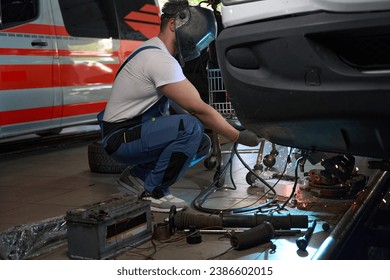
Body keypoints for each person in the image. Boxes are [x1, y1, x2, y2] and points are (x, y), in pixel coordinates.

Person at [100, 0, 260, 212]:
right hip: (122, 137)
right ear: (175, 24)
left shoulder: (155, 52)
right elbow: (196, 109)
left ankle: (138, 176)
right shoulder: (158, 60)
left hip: (131, 133)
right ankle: (154, 192)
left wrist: (226, 123)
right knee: (189, 127)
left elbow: (186, 106)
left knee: (201, 143)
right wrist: (237, 136)